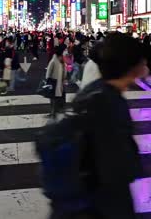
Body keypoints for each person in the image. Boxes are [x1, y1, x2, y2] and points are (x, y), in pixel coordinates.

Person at [49, 32, 147, 219]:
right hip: (100, 207)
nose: (144, 67)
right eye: (141, 62)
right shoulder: (110, 103)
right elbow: (117, 171)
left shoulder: (95, 92)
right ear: (130, 66)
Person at [46, 44, 67, 118]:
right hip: (54, 82)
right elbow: (49, 71)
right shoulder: (55, 60)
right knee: (54, 98)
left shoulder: (59, 60)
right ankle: (54, 112)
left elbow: (64, 71)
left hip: (57, 82)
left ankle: (54, 112)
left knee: (55, 98)